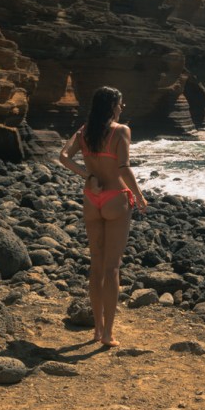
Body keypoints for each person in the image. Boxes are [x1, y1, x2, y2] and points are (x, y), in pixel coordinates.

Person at [59, 86, 147, 347]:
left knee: (96, 266)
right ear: (112, 106)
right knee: (112, 268)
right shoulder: (121, 131)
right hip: (115, 198)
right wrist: (140, 196)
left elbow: (63, 157)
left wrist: (87, 176)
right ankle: (108, 334)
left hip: (91, 199)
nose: (122, 107)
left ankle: (97, 330)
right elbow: (123, 168)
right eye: (120, 103)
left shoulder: (84, 131)